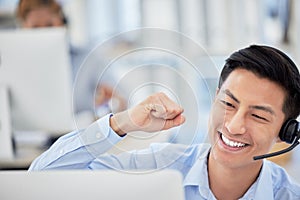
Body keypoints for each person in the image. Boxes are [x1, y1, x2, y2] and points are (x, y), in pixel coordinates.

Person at [29, 45, 300, 199]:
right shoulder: (159, 165)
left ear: (284, 133)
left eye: (258, 115)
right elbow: (41, 180)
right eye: (228, 104)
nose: (234, 126)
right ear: (215, 99)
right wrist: (122, 123)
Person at [15, 0, 126, 117]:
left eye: (49, 25)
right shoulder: (14, 66)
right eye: (35, 28)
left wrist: (114, 103)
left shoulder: (89, 59)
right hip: (30, 135)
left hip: (80, 132)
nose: (44, 34)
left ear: (64, 24)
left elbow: (123, 101)